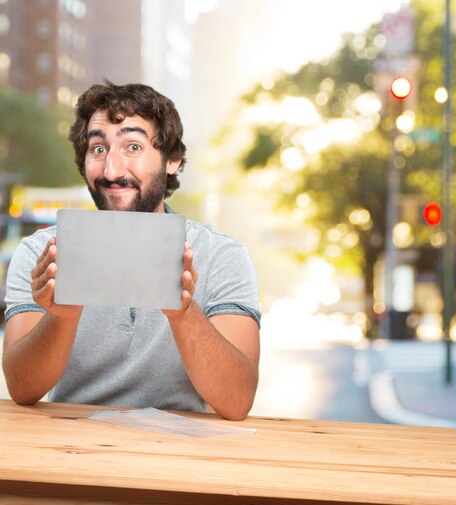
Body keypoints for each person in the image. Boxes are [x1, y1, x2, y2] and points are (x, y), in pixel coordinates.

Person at [2, 82, 261, 420]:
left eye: (133, 146)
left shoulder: (222, 255)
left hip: (178, 456)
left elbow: (237, 400)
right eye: (98, 149)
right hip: (70, 453)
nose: (111, 170)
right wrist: (61, 317)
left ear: (172, 159)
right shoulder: (42, 253)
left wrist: (182, 312)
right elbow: (22, 389)